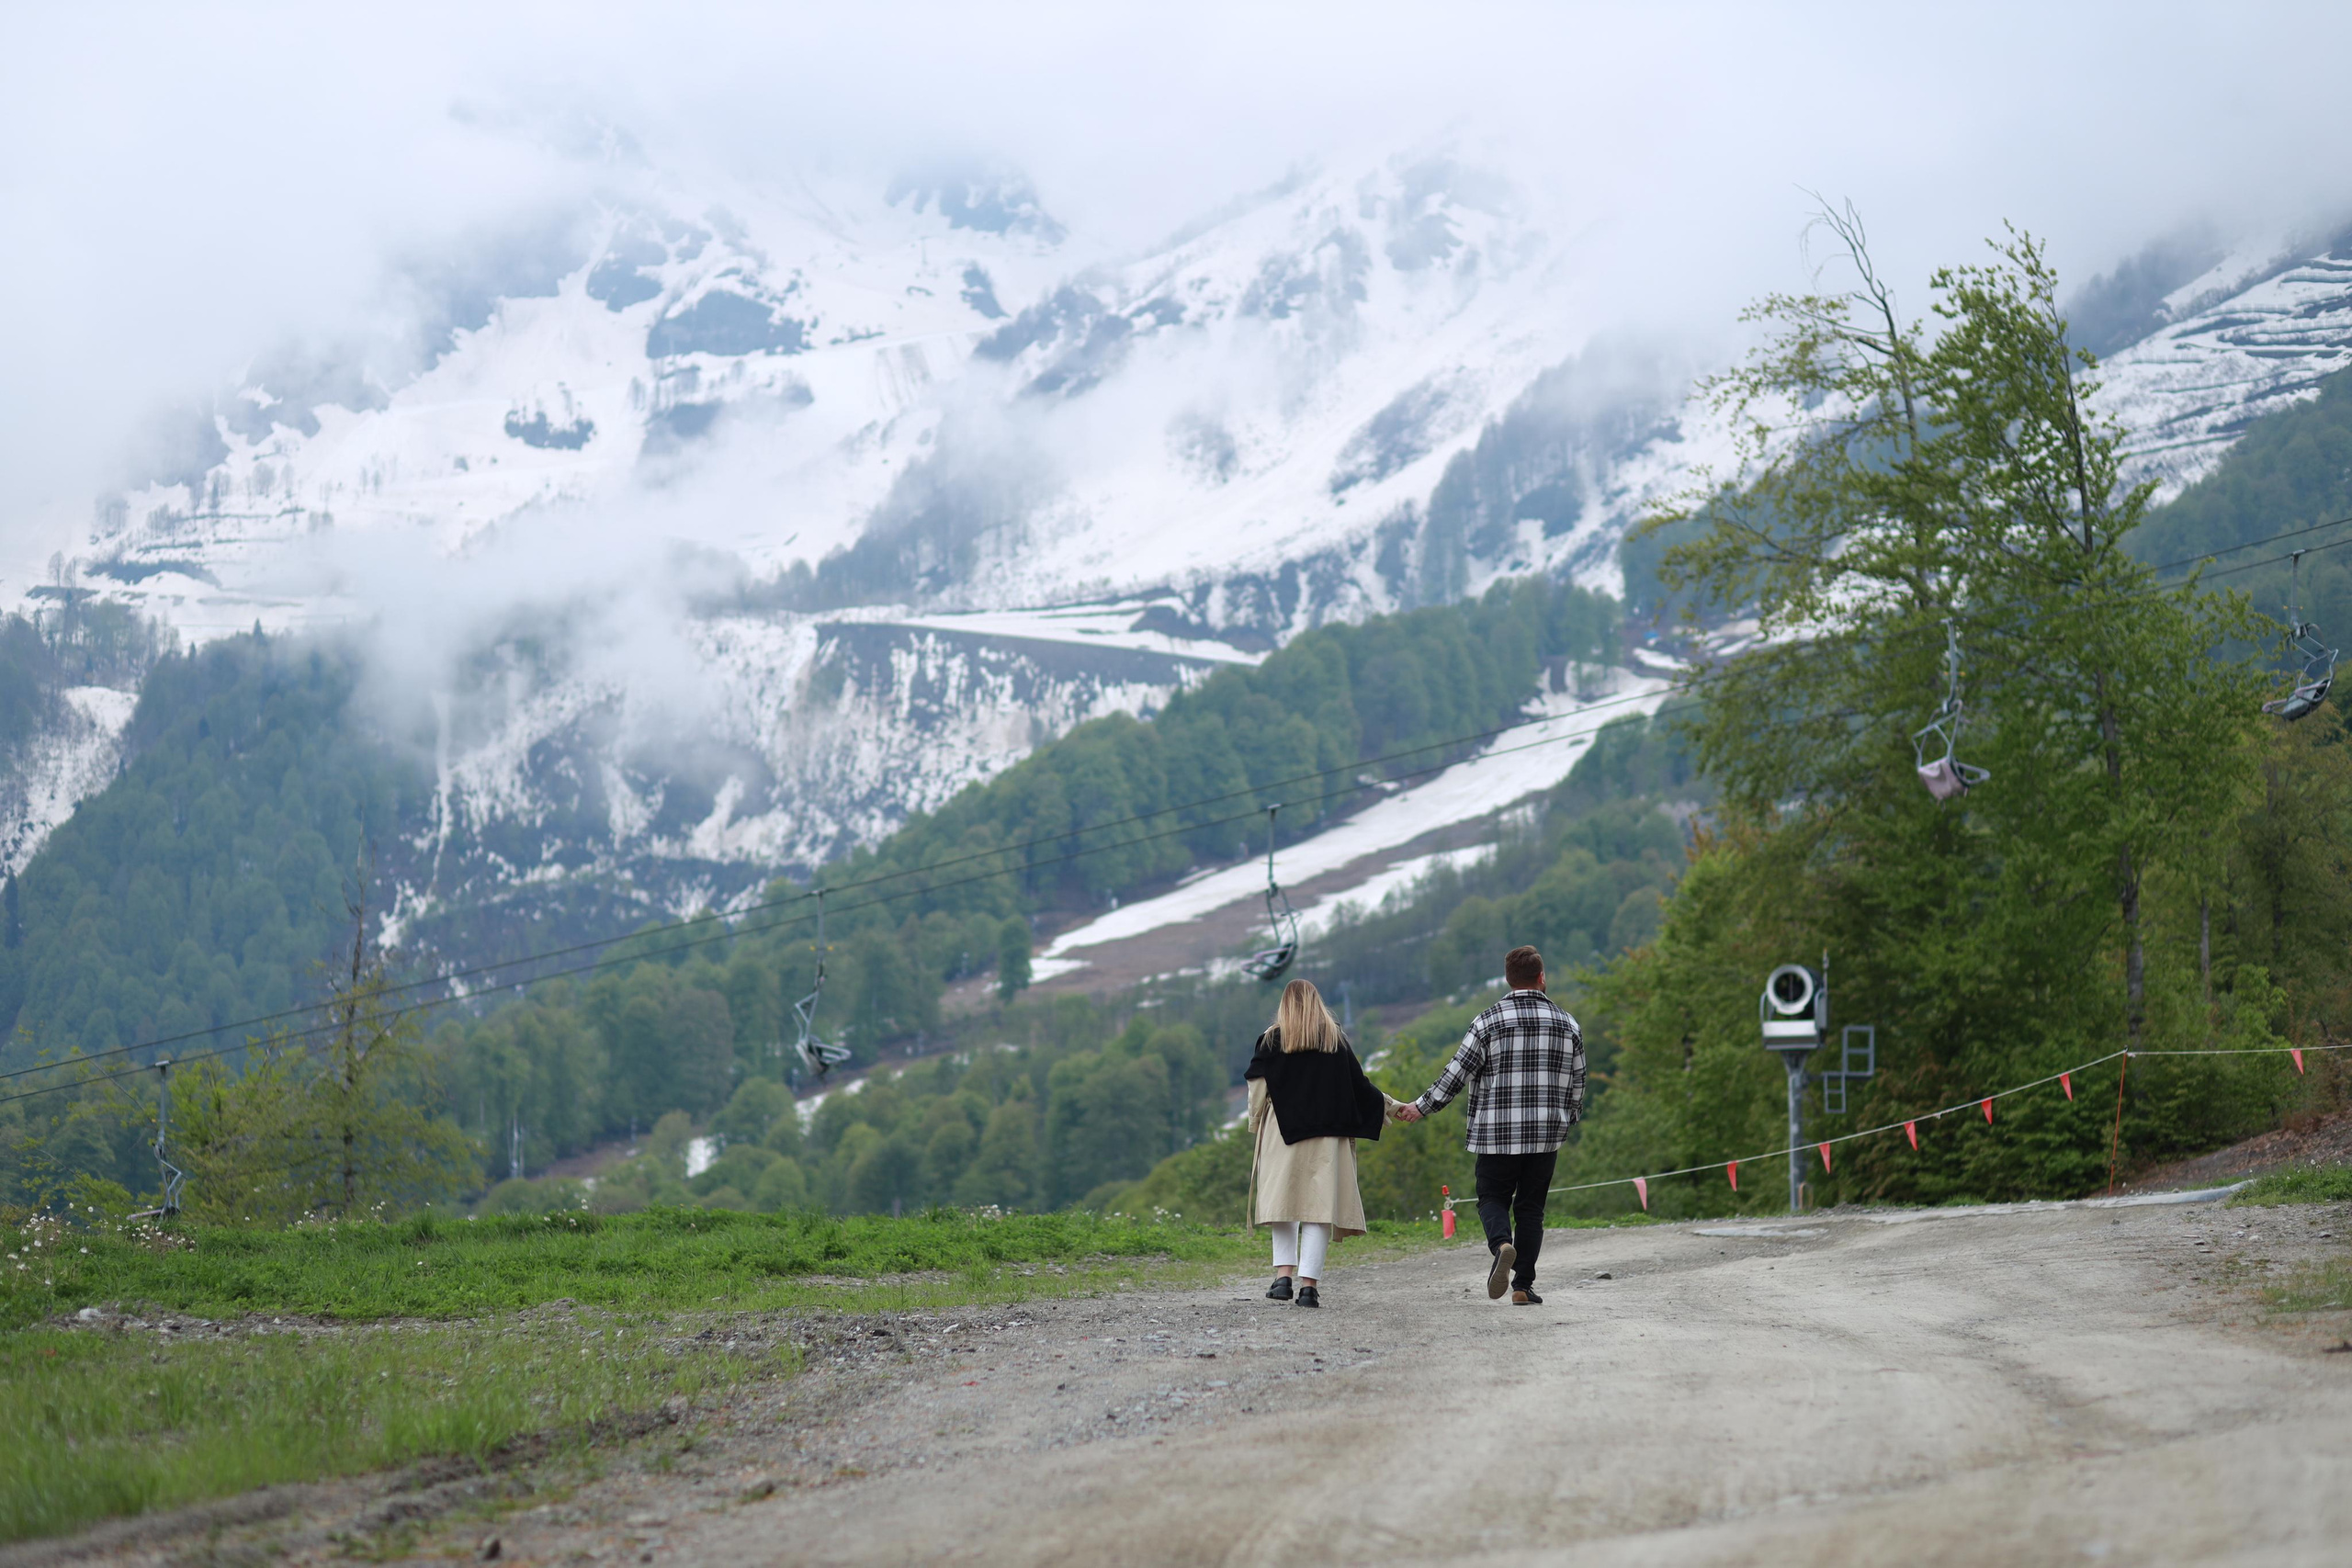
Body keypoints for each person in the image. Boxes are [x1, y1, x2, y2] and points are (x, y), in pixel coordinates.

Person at [1396, 945, 1586, 1304]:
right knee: (1531, 1209)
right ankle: (1522, 1286)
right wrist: (1567, 1120)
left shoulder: (1488, 1021)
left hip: (1496, 1133)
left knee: (1492, 1198)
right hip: (1545, 1135)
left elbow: (1456, 1074)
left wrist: (1421, 1108)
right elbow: (1578, 1081)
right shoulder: (1568, 1024)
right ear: (1542, 978)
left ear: (1508, 981)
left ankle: (1501, 1244)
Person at [1245, 977, 1406, 1308]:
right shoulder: (1335, 1039)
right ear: (1317, 1002)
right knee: (1318, 1210)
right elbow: (1360, 1086)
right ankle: (1308, 1288)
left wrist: (1255, 1123)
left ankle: (1282, 1278)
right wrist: (1391, 1106)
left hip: (1282, 1132)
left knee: (1283, 1207)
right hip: (1327, 1137)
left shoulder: (1271, 1040)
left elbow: (1257, 1090)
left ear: (1284, 1005)